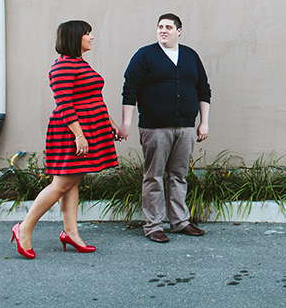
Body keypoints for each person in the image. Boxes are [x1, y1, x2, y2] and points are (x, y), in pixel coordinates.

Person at [11, 20, 119, 259]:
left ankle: (70, 232)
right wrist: (79, 134)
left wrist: (109, 123)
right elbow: (64, 105)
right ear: (74, 38)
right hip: (71, 131)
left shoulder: (79, 62)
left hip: (90, 127)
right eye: (87, 34)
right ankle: (24, 228)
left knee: (71, 183)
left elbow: (94, 97)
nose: (91, 37)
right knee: (61, 184)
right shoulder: (62, 67)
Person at [119, 13, 211, 243]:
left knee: (179, 175)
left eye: (168, 27)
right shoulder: (145, 56)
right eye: (160, 27)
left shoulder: (190, 56)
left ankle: (180, 222)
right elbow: (130, 89)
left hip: (186, 128)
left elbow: (203, 89)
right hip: (155, 128)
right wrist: (126, 124)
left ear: (179, 31)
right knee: (154, 176)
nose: (163, 30)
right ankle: (154, 225)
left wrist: (204, 122)